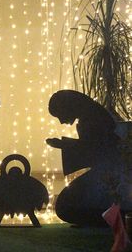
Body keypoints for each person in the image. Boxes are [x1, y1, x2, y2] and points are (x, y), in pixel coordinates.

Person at [46, 90, 124, 226]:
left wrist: (64, 145)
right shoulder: (91, 116)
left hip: (108, 173)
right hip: (105, 171)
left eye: (60, 115)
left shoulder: (92, 119)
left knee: (66, 206)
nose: (62, 121)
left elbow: (94, 149)